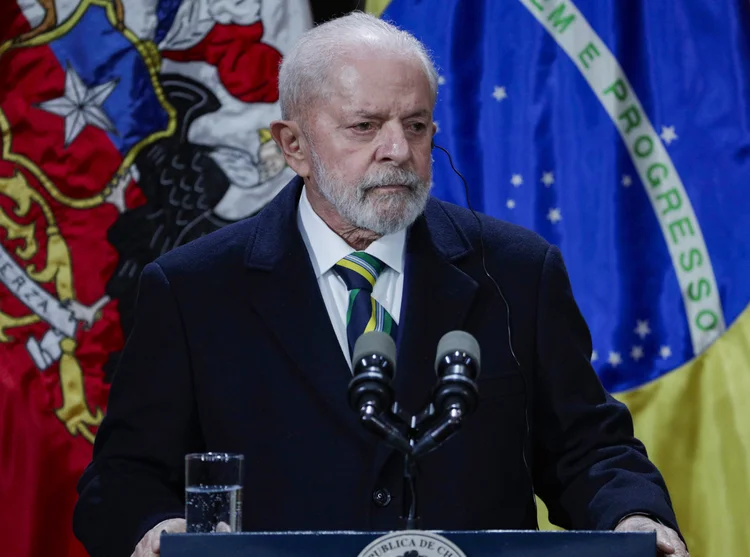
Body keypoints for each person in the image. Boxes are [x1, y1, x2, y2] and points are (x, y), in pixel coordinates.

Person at [73, 11, 689, 557]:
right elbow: (122, 477)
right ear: (294, 145)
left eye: (416, 125)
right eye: (365, 127)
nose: (398, 150)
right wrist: (154, 529)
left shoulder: (518, 271)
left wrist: (636, 517)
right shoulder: (193, 290)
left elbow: (589, 450)